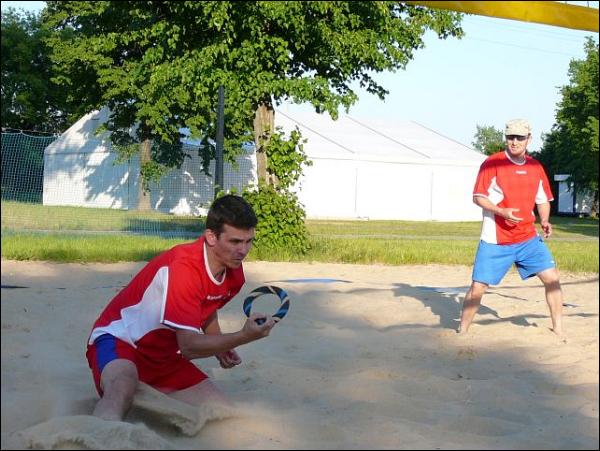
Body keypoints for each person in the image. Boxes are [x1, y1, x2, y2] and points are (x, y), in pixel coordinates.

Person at [86, 194, 276, 421]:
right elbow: (189, 347)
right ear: (211, 237)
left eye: (248, 241)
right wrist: (243, 336)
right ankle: (95, 435)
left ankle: (142, 390)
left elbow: (206, 307)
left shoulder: (234, 273)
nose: (243, 251)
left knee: (223, 412)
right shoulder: (184, 269)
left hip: (163, 357)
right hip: (119, 341)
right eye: (235, 242)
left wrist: (218, 344)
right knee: (122, 387)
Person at [459, 118, 565, 338]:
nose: (514, 142)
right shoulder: (492, 163)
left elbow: (543, 199)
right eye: (510, 137)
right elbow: (478, 197)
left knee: (552, 279)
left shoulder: (535, 167)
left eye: (519, 137)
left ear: (529, 139)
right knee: (478, 287)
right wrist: (501, 211)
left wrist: (545, 220)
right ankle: (462, 331)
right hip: (496, 240)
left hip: (528, 238)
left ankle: (558, 329)